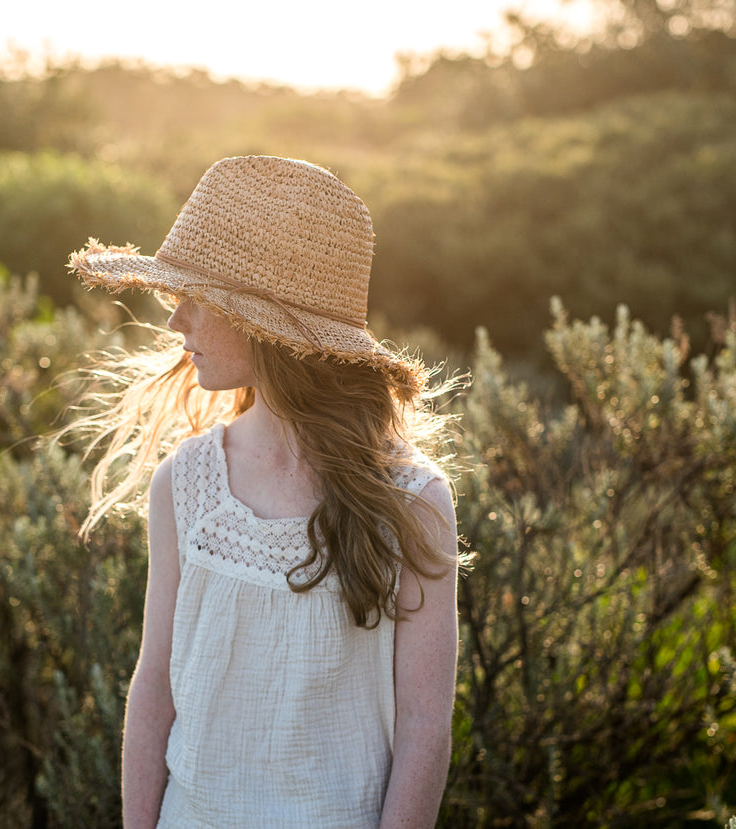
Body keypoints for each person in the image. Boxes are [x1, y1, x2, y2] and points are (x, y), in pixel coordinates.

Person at [64, 155, 461, 828]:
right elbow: (153, 686)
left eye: (195, 297)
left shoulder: (411, 497)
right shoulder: (185, 482)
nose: (173, 322)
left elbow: (425, 722)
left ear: (261, 324)